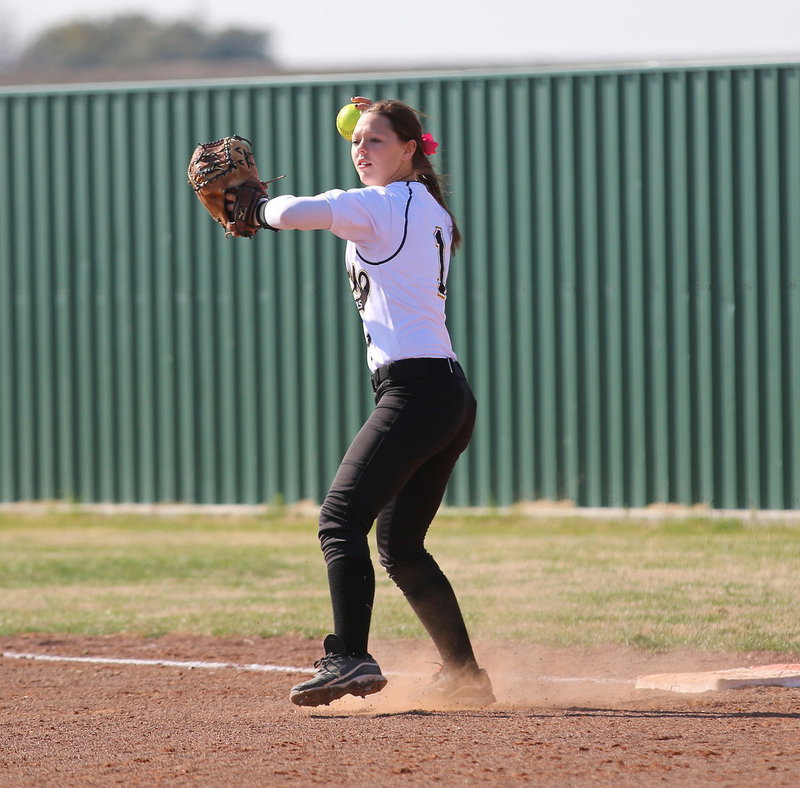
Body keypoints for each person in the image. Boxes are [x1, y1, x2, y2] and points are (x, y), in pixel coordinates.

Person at [232, 97, 494, 708]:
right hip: (447, 395)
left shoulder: (383, 204)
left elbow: (304, 210)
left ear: (411, 149)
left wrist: (257, 206)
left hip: (417, 391)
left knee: (339, 519)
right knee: (400, 546)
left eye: (376, 141)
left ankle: (349, 656)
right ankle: (465, 674)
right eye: (358, 141)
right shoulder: (427, 207)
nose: (361, 150)